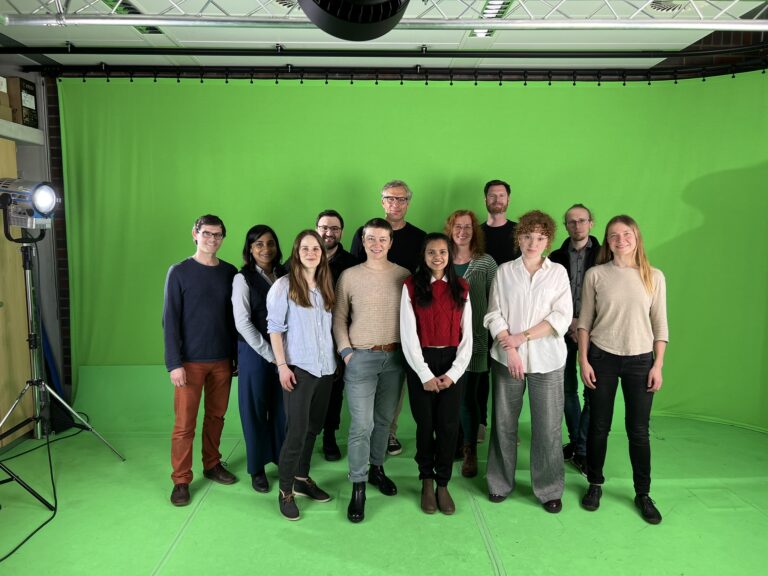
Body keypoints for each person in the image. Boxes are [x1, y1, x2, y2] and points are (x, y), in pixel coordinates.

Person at [577, 215, 668, 525]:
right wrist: (584, 360)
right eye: (614, 235)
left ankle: (643, 492)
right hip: (602, 356)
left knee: (638, 430)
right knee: (598, 425)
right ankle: (594, 483)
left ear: (636, 237)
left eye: (626, 234)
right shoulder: (596, 275)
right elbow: (584, 322)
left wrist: (658, 364)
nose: (621, 240)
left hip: (641, 360)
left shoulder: (653, 276)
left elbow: (660, 325)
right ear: (607, 240)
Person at [484, 210, 572, 514]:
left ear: (548, 241)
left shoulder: (557, 273)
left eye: (540, 238)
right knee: (503, 424)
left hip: (548, 361)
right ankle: (499, 483)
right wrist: (510, 348)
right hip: (506, 358)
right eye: (527, 236)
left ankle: (549, 489)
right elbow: (493, 313)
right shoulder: (504, 272)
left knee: (548, 427)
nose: (533, 243)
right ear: (518, 238)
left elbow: (562, 316)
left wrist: (522, 337)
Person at [333, 218, 410, 523]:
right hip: (360, 358)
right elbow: (339, 317)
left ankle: (377, 468)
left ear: (390, 243)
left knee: (384, 422)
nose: (376, 244)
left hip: (394, 358)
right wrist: (346, 352)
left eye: (382, 239)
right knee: (361, 425)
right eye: (370, 239)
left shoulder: (403, 276)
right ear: (363, 241)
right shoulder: (349, 276)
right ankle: (358, 485)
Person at [163, 214, 238, 507]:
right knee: (184, 424)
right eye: (207, 233)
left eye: (218, 235)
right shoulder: (179, 272)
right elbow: (170, 320)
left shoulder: (230, 272)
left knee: (216, 417)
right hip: (189, 362)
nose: (212, 239)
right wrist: (174, 363)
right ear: (194, 234)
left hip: (222, 360)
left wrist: (235, 357)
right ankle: (181, 480)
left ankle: (212, 464)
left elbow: (234, 319)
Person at [350, 180, 426, 457]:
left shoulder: (419, 237)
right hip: (366, 320)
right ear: (382, 201)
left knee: (394, 383)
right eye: (390, 198)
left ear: (408, 202)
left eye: (401, 199)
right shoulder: (366, 232)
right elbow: (354, 272)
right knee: (366, 386)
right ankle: (367, 435)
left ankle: (388, 432)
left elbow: (423, 277)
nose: (395, 204)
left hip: (401, 318)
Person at [267, 230, 337, 521]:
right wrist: (282, 366)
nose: (311, 253)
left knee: (313, 428)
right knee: (296, 432)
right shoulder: (284, 286)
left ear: (322, 254)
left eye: (315, 248)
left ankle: (301, 478)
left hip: (326, 369)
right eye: (305, 248)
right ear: (296, 253)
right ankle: (285, 491)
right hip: (299, 370)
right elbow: (275, 329)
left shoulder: (325, 286)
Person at [401, 233, 472, 515]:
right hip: (422, 360)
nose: (437, 257)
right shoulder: (411, 286)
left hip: (452, 361)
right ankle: (426, 481)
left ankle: (443, 482)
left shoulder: (462, 287)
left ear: (450, 255)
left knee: (448, 426)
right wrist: (424, 374)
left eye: (442, 252)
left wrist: (454, 373)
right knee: (425, 424)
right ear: (424, 255)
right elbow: (408, 334)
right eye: (431, 252)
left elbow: (468, 335)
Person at [232, 224, 287, 494]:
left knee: (282, 409)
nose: (266, 249)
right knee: (254, 410)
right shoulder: (242, 279)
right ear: (250, 249)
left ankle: (282, 460)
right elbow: (242, 323)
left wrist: (283, 355)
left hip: (284, 353)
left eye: (270, 243)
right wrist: (271, 354)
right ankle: (257, 468)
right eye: (259, 244)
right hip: (254, 353)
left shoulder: (285, 274)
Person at [444, 210, 497, 478]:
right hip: (445, 342)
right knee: (448, 396)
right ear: (450, 229)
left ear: (474, 231)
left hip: (476, 340)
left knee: (468, 399)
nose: (462, 231)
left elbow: (497, 301)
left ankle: (470, 450)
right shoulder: (441, 258)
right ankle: (452, 444)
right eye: (457, 226)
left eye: (467, 227)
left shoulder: (485, 262)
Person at [549, 204, 600, 474]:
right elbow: (549, 296)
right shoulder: (556, 257)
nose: (577, 225)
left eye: (582, 220)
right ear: (566, 226)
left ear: (591, 223)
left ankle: (581, 447)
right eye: (571, 222)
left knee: (592, 391)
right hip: (563, 330)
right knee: (567, 389)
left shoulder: (604, 255)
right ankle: (578, 442)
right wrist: (569, 322)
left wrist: (584, 324)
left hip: (596, 332)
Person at [478, 179, 520, 443]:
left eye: (501, 195)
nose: (497, 200)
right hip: (480, 310)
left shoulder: (519, 232)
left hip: (513, 312)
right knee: (481, 370)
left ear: (508, 199)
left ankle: (507, 425)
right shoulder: (476, 233)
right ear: (485, 200)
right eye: (492, 196)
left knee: (509, 371)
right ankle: (480, 422)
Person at [316, 209, 359, 461]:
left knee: (335, 390)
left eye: (334, 228)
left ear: (341, 232)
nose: (328, 233)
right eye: (324, 227)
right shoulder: (303, 257)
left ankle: (329, 435)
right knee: (309, 389)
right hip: (309, 338)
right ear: (317, 229)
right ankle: (306, 435)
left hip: (339, 337)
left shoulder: (352, 263)